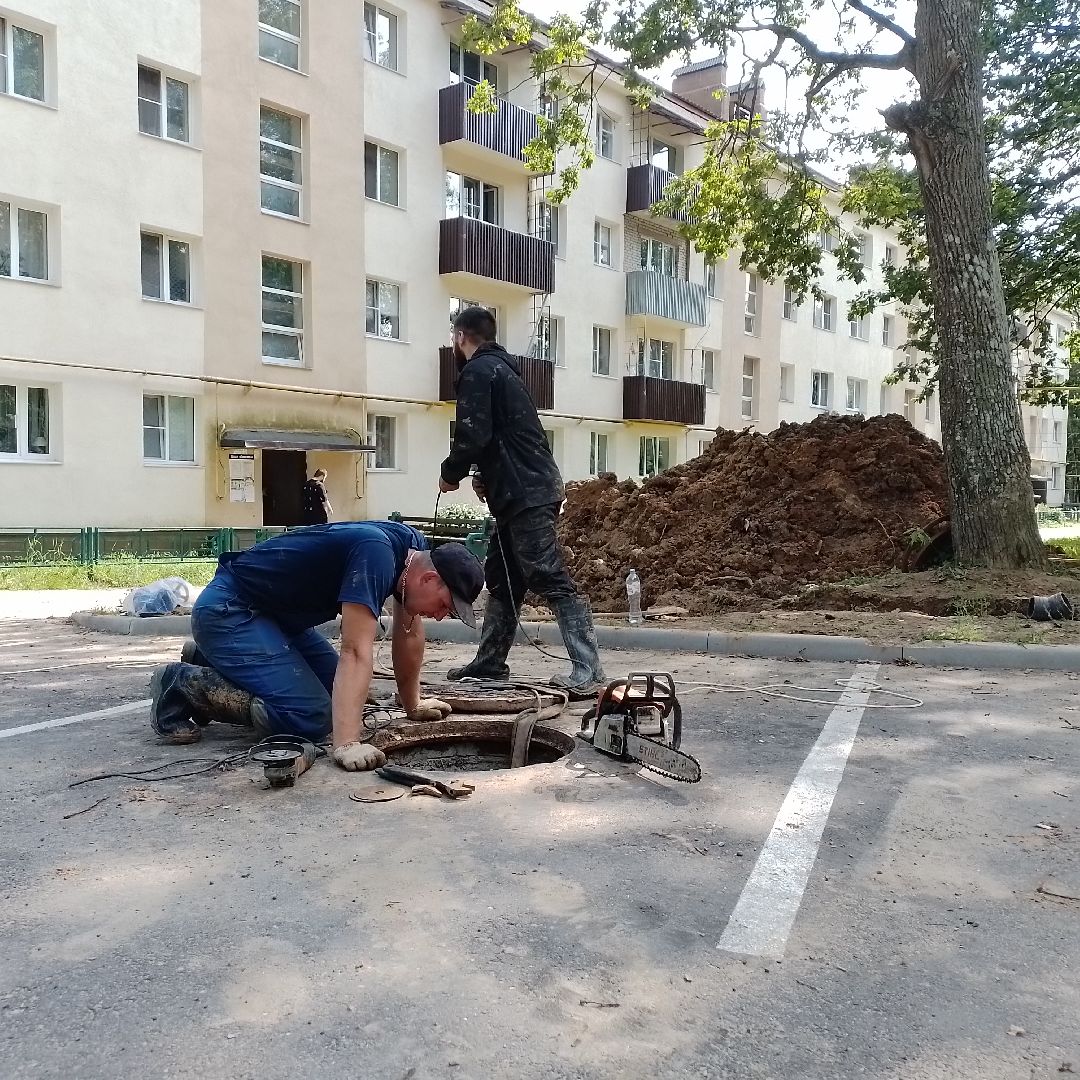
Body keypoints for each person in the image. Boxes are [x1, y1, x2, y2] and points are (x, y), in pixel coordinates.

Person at [148, 522, 485, 771]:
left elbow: (409, 633)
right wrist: (347, 743)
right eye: (445, 605)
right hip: (230, 611)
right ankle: (183, 684)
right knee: (312, 715)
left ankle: (212, 656)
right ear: (428, 579)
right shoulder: (377, 554)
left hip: (273, 620)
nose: (441, 617)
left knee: (340, 692)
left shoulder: (412, 549)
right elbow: (355, 651)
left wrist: (413, 704)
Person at [439, 306, 605, 696]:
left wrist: (452, 472)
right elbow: (503, 437)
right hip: (522, 490)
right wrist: (485, 475)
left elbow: (473, 435)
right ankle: (490, 663)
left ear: (460, 336)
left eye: (453, 338)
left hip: (525, 493)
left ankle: (589, 669)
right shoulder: (505, 371)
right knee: (504, 578)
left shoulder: (478, 372)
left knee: (547, 574)